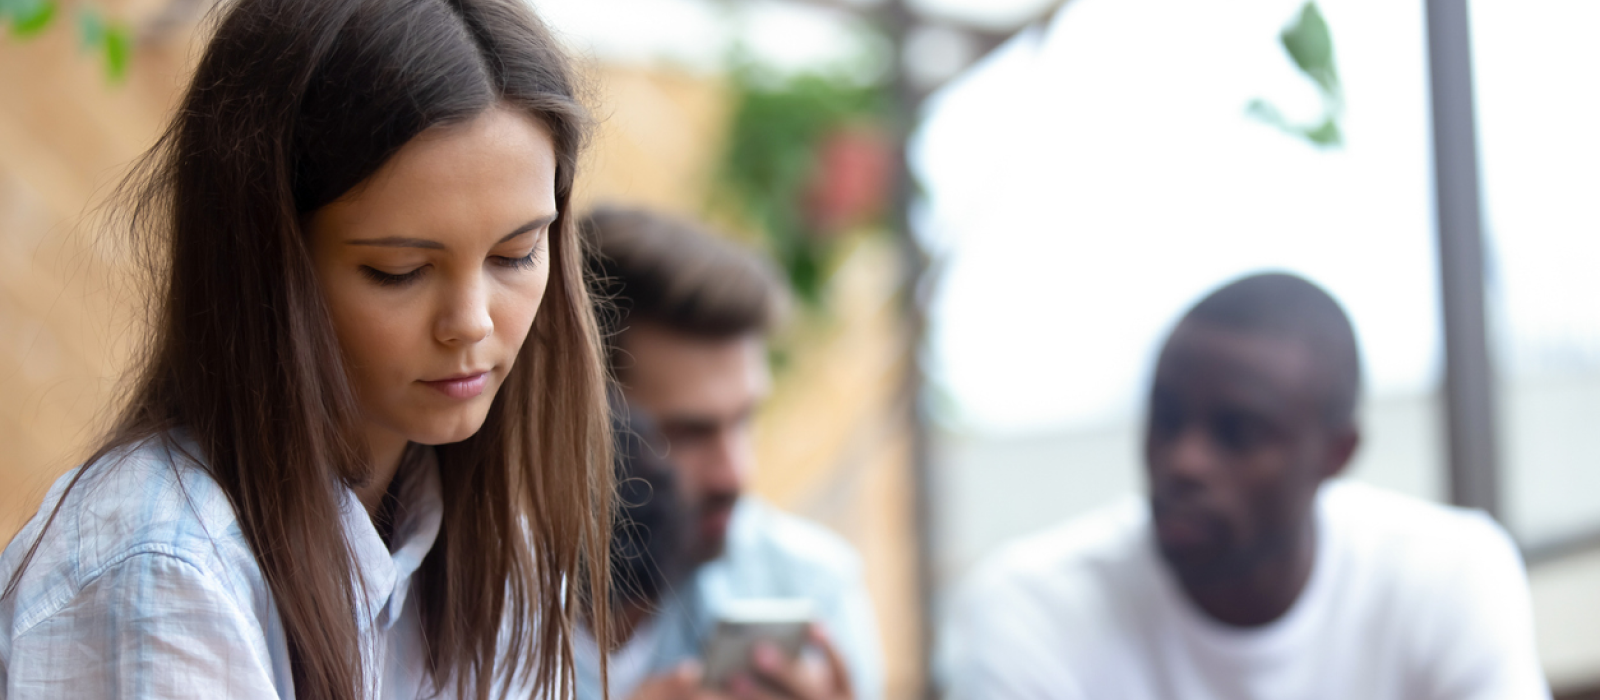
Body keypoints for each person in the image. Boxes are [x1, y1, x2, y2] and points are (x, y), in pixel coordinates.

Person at [0, 1, 614, 698]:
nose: (471, 323)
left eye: (517, 253)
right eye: (399, 271)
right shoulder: (165, 565)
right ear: (265, 260)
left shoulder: (498, 548)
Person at [940, 272, 1551, 700]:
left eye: (1236, 433)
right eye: (1167, 418)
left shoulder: (1445, 576)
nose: (1184, 462)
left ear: (1336, 454)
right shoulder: (1035, 608)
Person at [577, 207, 883, 700]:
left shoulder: (807, 588)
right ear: (576, 422)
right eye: (688, 432)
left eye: (744, 420)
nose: (735, 474)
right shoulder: (457, 604)